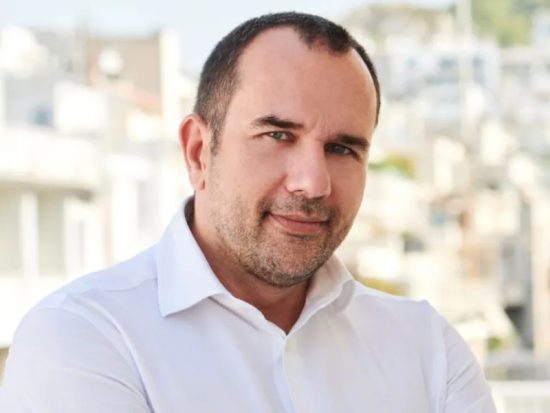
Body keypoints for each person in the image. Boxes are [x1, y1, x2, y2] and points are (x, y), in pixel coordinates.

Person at [2, 12, 496, 412]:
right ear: (199, 151)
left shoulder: (426, 346)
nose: (313, 182)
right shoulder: (83, 338)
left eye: (343, 148)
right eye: (278, 135)